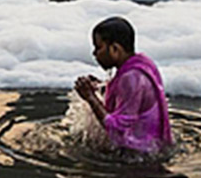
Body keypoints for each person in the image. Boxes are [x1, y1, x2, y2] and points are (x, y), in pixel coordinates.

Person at [73, 16, 172, 155]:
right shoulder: (143, 64)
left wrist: (91, 98)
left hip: (139, 155)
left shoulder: (131, 78)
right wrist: (102, 87)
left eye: (98, 48)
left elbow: (118, 130)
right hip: (154, 145)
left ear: (115, 49)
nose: (94, 53)